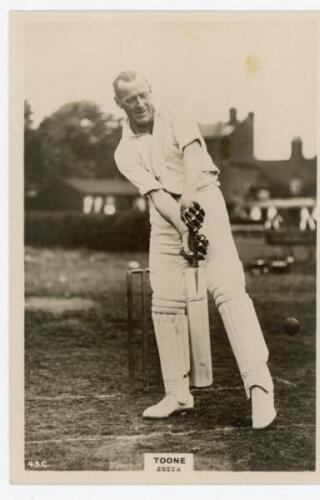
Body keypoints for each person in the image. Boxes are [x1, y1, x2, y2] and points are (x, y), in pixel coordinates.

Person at [113, 70, 277, 429]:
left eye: (143, 94)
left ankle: (261, 390)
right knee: (166, 301)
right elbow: (156, 195)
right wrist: (184, 226)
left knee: (228, 291)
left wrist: (189, 197)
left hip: (202, 195)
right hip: (167, 218)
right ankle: (177, 393)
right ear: (119, 104)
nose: (139, 103)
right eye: (130, 99)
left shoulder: (174, 110)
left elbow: (192, 152)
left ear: (150, 90)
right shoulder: (124, 151)